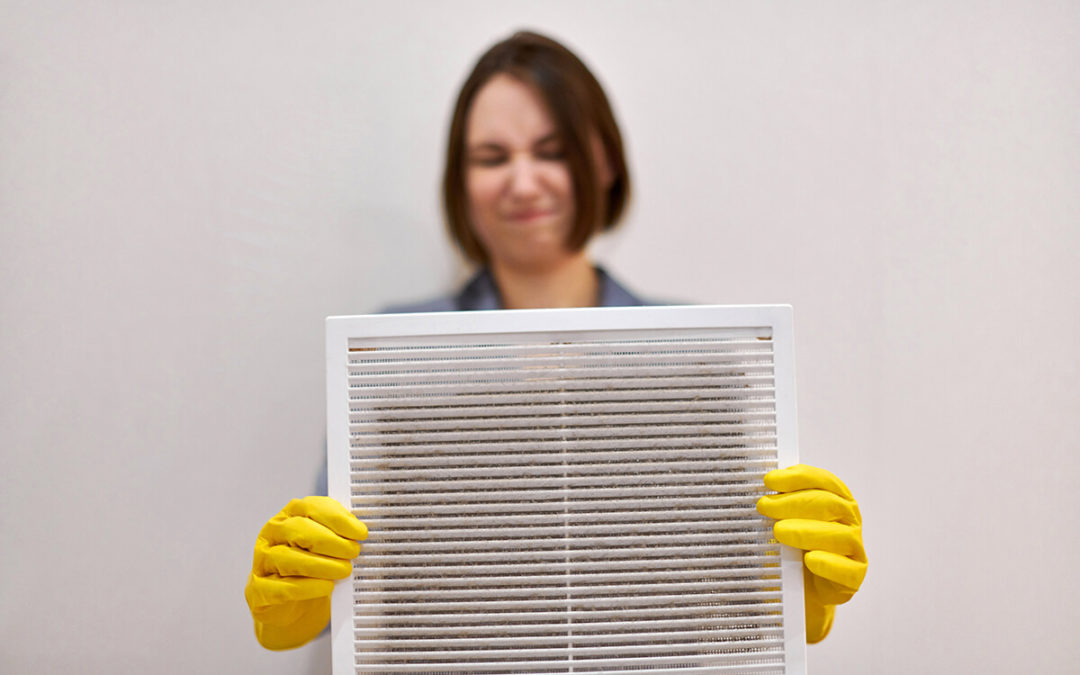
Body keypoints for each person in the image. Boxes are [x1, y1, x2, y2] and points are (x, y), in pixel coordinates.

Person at [244, 30, 867, 652]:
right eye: (492, 157)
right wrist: (300, 592)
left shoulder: (702, 360)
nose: (523, 182)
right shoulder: (384, 363)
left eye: (552, 151)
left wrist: (785, 593)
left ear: (603, 161)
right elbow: (343, 588)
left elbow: (721, 596)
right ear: (461, 181)